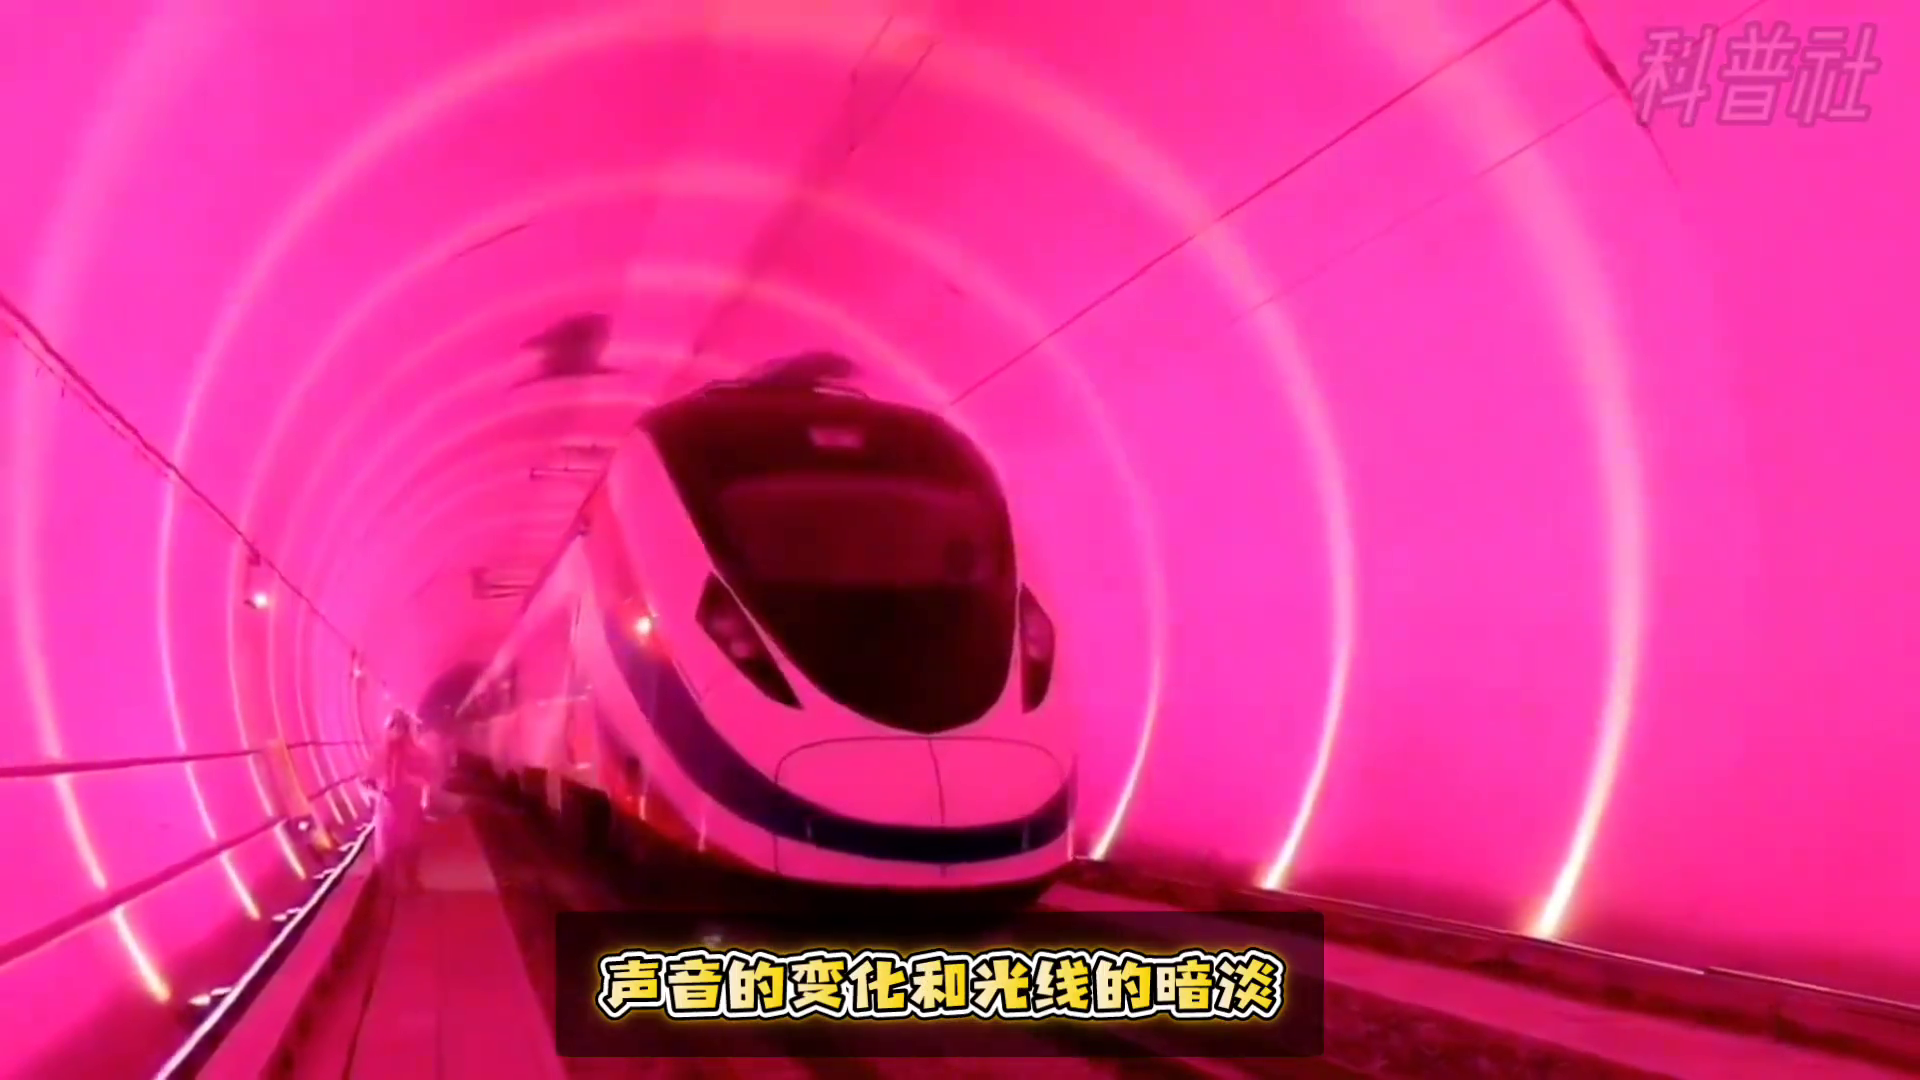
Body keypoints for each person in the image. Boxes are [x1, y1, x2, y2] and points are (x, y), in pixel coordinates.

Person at [366, 709, 434, 892]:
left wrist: (417, 787)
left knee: (410, 844)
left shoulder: (417, 754)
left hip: (407, 804)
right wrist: (377, 794)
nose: (397, 732)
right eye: (393, 727)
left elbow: (427, 778)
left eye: (400, 727)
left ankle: (410, 880)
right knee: (390, 848)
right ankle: (393, 884)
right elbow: (367, 780)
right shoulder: (381, 754)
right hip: (389, 805)